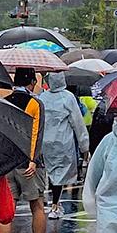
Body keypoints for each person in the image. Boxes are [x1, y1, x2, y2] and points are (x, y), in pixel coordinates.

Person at [0, 68, 52, 233]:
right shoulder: (35, 103)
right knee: (37, 206)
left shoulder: (5, 101)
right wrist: (33, 159)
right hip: (28, 163)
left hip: (7, 162)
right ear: (31, 81)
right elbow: (37, 133)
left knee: (7, 210)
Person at [38, 72, 88, 220]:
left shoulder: (43, 97)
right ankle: (55, 205)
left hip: (44, 141)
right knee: (59, 175)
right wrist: (84, 146)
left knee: (47, 173)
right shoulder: (68, 97)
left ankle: (46, 203)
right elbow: (78, 123)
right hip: (62, 141)